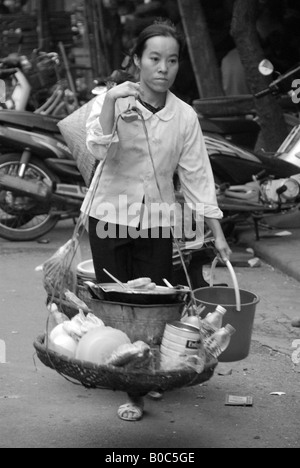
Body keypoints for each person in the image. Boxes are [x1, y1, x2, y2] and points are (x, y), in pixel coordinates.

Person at [82, 21, 231, 422]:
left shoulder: (184, 116)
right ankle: (129, 381)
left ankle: (139, 381)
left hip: (157, 221)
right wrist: (112, 101)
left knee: (153, 307)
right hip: (108, 217)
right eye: (154, 59)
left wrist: (216, 232)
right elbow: (97, 146)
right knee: (118, 303)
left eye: (171, 60)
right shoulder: (110, 101)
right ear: (136, 61)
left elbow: (197, 177)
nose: (163, 68)